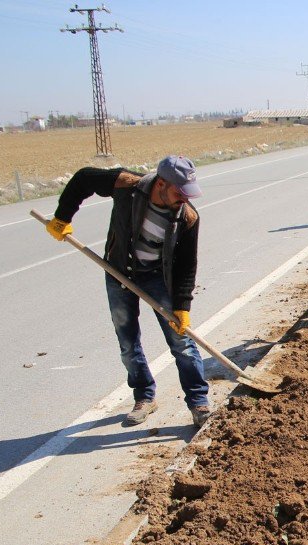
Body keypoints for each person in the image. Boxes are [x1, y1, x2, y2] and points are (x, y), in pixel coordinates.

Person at [44, 156, 212, 427]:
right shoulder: (126, 185)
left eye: (187, 193)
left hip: (158, 278)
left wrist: (182, 306)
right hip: (119, 272)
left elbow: (186, 267)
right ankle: (145, 396)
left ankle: (198, 401)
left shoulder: (188, 217)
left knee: (182, 342)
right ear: (161, 183)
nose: (184, 199)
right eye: (179, 192)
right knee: (128, 344)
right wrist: (63, 216)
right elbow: (84, 178)